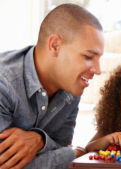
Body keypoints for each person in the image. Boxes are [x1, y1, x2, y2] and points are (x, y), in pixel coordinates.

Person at [0, 4, 104, 169]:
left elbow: (60, 146)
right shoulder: (4, 84)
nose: (98, 70)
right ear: (55, 46)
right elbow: (6, 165)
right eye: (88, 56)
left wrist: (39, 140)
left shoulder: (71, 90)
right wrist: (74, 154)